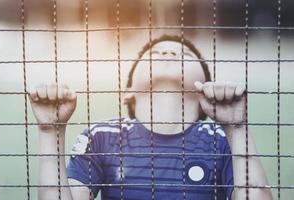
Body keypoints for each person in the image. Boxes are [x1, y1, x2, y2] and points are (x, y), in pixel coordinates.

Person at [28, 35, 272, 200]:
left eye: (185, 53)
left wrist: (238, 127)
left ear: (204, 93)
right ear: (128, 92)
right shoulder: (102, 137)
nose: (167, 51)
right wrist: (50, 132)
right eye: (154, 53)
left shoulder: (222, 139)